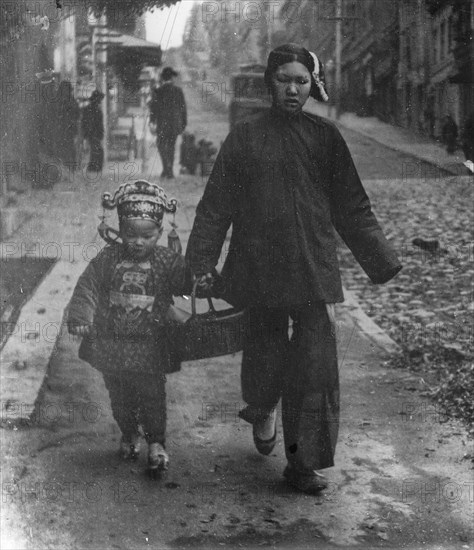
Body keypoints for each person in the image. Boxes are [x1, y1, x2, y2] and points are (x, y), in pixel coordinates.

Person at [185, 44, 402, 495]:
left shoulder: (325, 137)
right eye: (284, 79)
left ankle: (304, 463)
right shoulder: (245, 137)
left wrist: (381, 261)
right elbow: (215, 206)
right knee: (264, 350)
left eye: (301, 81)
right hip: (258, 268)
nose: (292, 88)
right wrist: (201, 264)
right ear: (270, 82)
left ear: (311, 86)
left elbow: (352, 205)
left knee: (315, 367)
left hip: (311, 267)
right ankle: (262, 405)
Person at [67, 180, 190, 477]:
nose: (137, 242)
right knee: (119, 396)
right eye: (130, 234)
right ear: (119, 230)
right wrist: (83, 315)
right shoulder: (108, 258)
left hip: (150, 346)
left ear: (160, 233)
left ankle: (157, 444)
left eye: (147, 236)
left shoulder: (165, 260)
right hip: (113, 345)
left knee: (152, 395)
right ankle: (128, 432)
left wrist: (200, 277)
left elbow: (186, 280)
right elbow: (88, 286)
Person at [149, 67, 187, 179]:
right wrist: (183, 123)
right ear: (172, 78)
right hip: (175, 123)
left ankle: (167, 168)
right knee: (171, 146)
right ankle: (168, 170)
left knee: (161, 145)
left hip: (162, 123)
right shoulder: (178, 91)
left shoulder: (158, 91)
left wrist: (152, 121)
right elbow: (183, 108)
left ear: (162, 78)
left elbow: (153, 108)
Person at [56, 81, 80, 169]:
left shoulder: (58, 100)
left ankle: (67, 167)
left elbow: (77, 114)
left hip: (63, 128)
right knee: (68, 148)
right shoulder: (71, 100)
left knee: (65, 148)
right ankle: (69, 167)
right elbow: (77, 114)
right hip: (67, 128)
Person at [82, 90, 105, 172]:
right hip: (93, 134)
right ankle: (94, 168)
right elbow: (98, 125)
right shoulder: (96, 111)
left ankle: (93, 167)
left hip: (91, 134)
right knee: (96, 151)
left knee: (95, 151)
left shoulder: (87, 110)